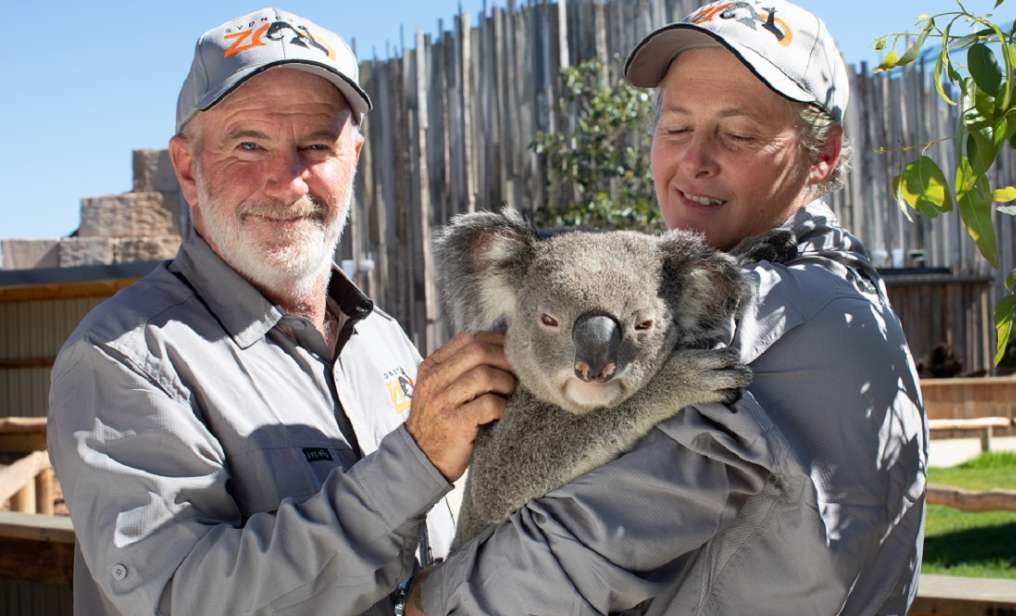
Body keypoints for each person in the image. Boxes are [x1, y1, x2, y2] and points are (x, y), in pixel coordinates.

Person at [410, 1, 928, 614]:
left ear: (822, 153)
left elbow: (567, 553)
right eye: (676, 127)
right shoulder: (845, 290)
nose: (694, 160)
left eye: (737, 134)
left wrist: (427, 602)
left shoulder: (767, 317)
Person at [46, 8, 515, 615]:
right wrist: (416, 463)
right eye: (249, 144)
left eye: (315, 145)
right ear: (188, 168)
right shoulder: (124, 360)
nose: (286, 180)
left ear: (354, 159)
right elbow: (183, 598)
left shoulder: (385, 341)